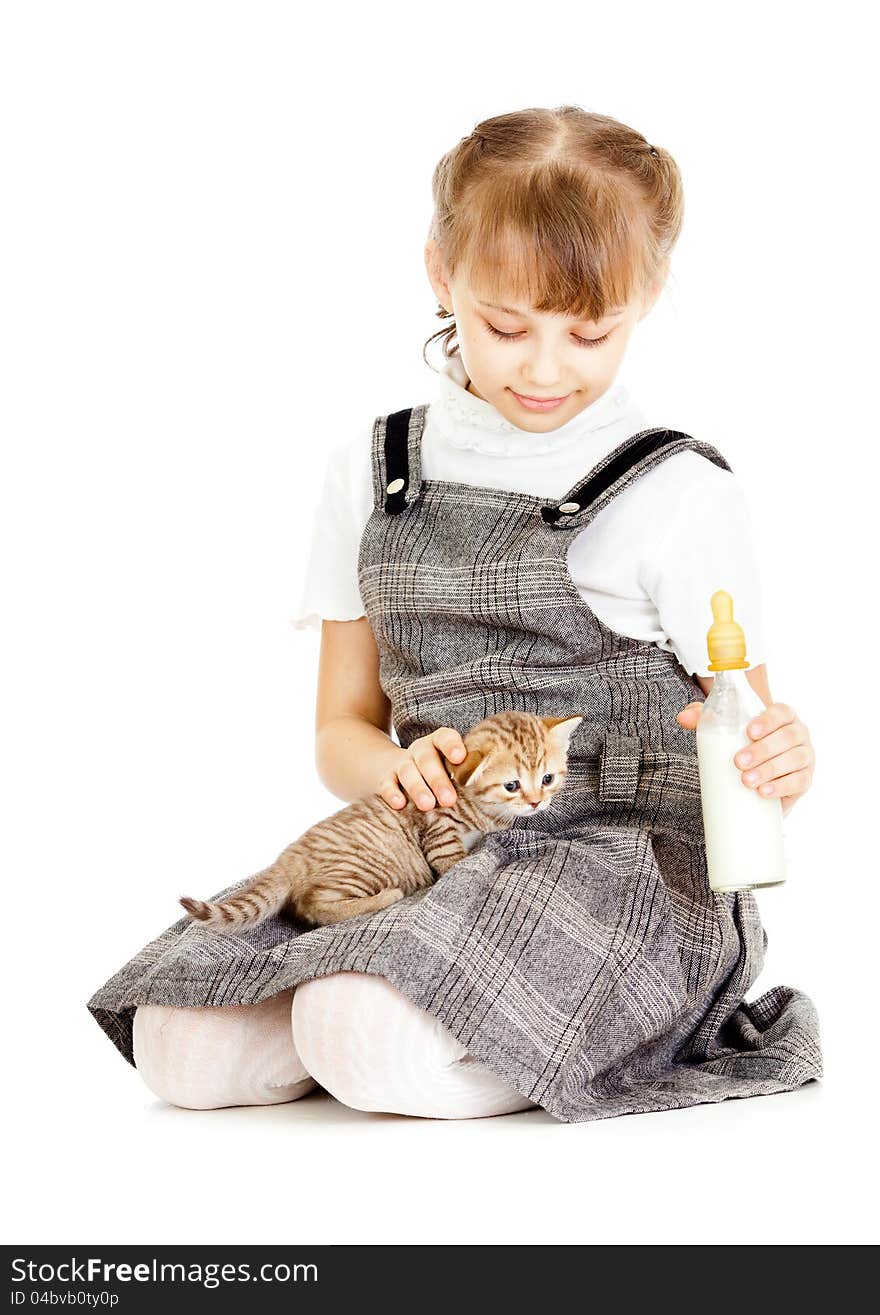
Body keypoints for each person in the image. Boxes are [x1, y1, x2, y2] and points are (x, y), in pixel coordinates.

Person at [91, 105, 821, 1121]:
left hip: (618, 873)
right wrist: (392, 770)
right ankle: (392, 996)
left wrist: (783, 760)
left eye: (588, 331)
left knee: (361, 1033)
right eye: (505, 324)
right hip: (426, 849)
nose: (542, 368)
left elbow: (748, 736)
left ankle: (495, 1019)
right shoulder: (372, 471)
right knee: (180, 1046)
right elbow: (340, 730)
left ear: (646, 295)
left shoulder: (677, 493)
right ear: (441, 273)